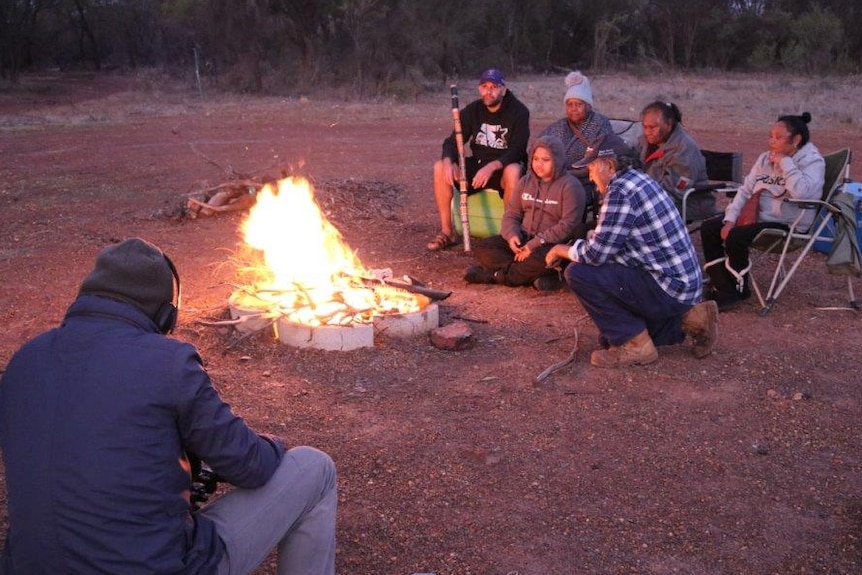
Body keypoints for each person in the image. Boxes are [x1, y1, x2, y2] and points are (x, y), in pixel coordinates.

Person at [0, 238, 337, 574]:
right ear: (166, 316)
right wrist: (270, 443)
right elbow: (250, 465)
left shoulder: (22, 363)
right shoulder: (169, 363)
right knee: (315, 469)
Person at [545, 137, 718, 368]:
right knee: (608, 338)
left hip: (668, 287)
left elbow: (595, 255)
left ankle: (634, 346)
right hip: (681, 285)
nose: (590, 175)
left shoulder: (620, 191)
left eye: (592, 167)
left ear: (609, 165)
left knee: (579, 273)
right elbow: (622, 245)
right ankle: (694, 317)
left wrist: (561, 249)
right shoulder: (638, 180)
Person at [700, 112, 825, 311]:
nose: (771, 142)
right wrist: (730, 219)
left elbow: (803, 193)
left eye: (778, 137)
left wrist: (785, 163)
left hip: (788, 222)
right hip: (758, 215)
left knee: (736, 237)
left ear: (796, 140)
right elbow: (745, 190)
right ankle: (723, 286)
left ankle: (738, 290)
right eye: (770, 136)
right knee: (710, 228)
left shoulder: (813, 162)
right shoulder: (764, 159)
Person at [463, 134, 587, 292]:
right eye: (536, 159)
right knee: (483, 247)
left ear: (557, 160)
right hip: (523, 239)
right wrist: (511, 236)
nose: (539, 165)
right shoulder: (525, 182)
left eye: (545, 160)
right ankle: (535, 276)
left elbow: (568, 226)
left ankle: (493, 275)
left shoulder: (570, 187)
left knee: (543, 259)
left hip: (548, 244)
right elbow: (512, 213)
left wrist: (533, 245)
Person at [427, 68, 530, 251]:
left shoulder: (519, 112)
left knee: (513, 170)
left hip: (504, 166)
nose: (489, 91)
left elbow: (518, 149)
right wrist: (448, 162)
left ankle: (508, 234)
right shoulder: (472, 111)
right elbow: (452, 141)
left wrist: (492, 167)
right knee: (439, 167)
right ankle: (447, 232)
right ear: (479, 89)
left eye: (494, 87)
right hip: (479, 164)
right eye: (484, 87)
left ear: (503, 90)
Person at [539, 70, 617, 196]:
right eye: (570, 104)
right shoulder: (558, 126)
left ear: (588, 106)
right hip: (556, 177)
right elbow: (539, 145)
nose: (574, 109)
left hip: (588, 180)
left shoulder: (600, 124)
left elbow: (604, 160)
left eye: (579, 104)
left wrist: (568, 174)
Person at [638, 101, 714, 221]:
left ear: (669, 124)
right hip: (654, 197)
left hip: (688, 203)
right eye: (645, 126)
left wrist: (639, 199)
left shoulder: (684, 148)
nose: (647, 132)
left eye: (652, 127)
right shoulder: (646, 142)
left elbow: (676, 191)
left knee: (637, 214)